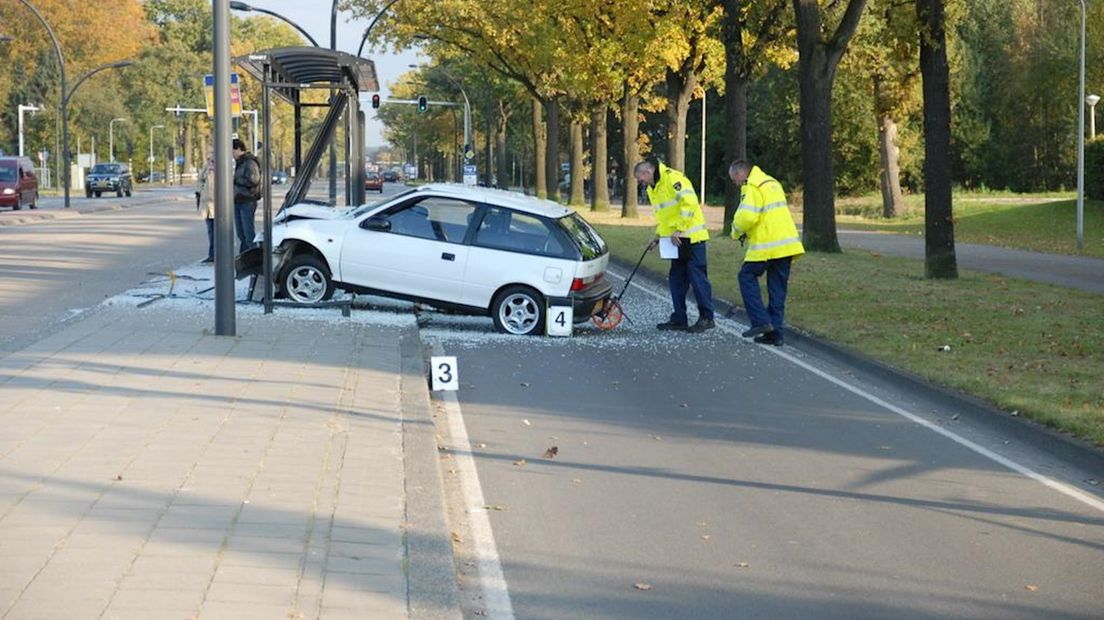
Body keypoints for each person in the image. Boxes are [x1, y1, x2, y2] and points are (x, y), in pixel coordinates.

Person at [728, 160, 805, 346]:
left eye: (734, 180)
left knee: (746, 277)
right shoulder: (771, 182)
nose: (736, 184)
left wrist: (735, 232)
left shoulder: (752, 185)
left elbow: (747, 216)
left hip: (767, 245)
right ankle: (776, 334)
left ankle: (761, 322)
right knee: (777, 290)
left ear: (740, 174)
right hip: (786, 246)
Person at [633, 158, 715, 333]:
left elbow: (689, 203)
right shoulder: (652, 188)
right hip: (675, 240)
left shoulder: (673, 178)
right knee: (676, 280)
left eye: (640, 179)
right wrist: (658, 237)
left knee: (697, 279)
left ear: (648, 172)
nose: (640, 183)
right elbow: (664, 217)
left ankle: (707, 318)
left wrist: (680, 228)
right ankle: (679, 318)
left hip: (692, 237)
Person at [232, 138, 261, 253]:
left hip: (247, 200)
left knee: (248, 233)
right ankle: (245, 257)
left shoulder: (249, 162)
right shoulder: (240, 163)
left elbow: (254, 180)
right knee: (241, 233)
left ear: (239, 149)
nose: (232, 155)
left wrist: (236, 180)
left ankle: (253, 257)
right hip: (238, 200)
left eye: (233, 152)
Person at [196, 153, 216, 263]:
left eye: (212, 159)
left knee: (218, 231)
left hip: (217, 205)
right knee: (210, 231)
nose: (210, 161)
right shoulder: (206, 169)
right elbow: (199, 181)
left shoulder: (222, 168)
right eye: (208, 159)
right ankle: (211, 254)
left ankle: (218, 253)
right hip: (207, 205)